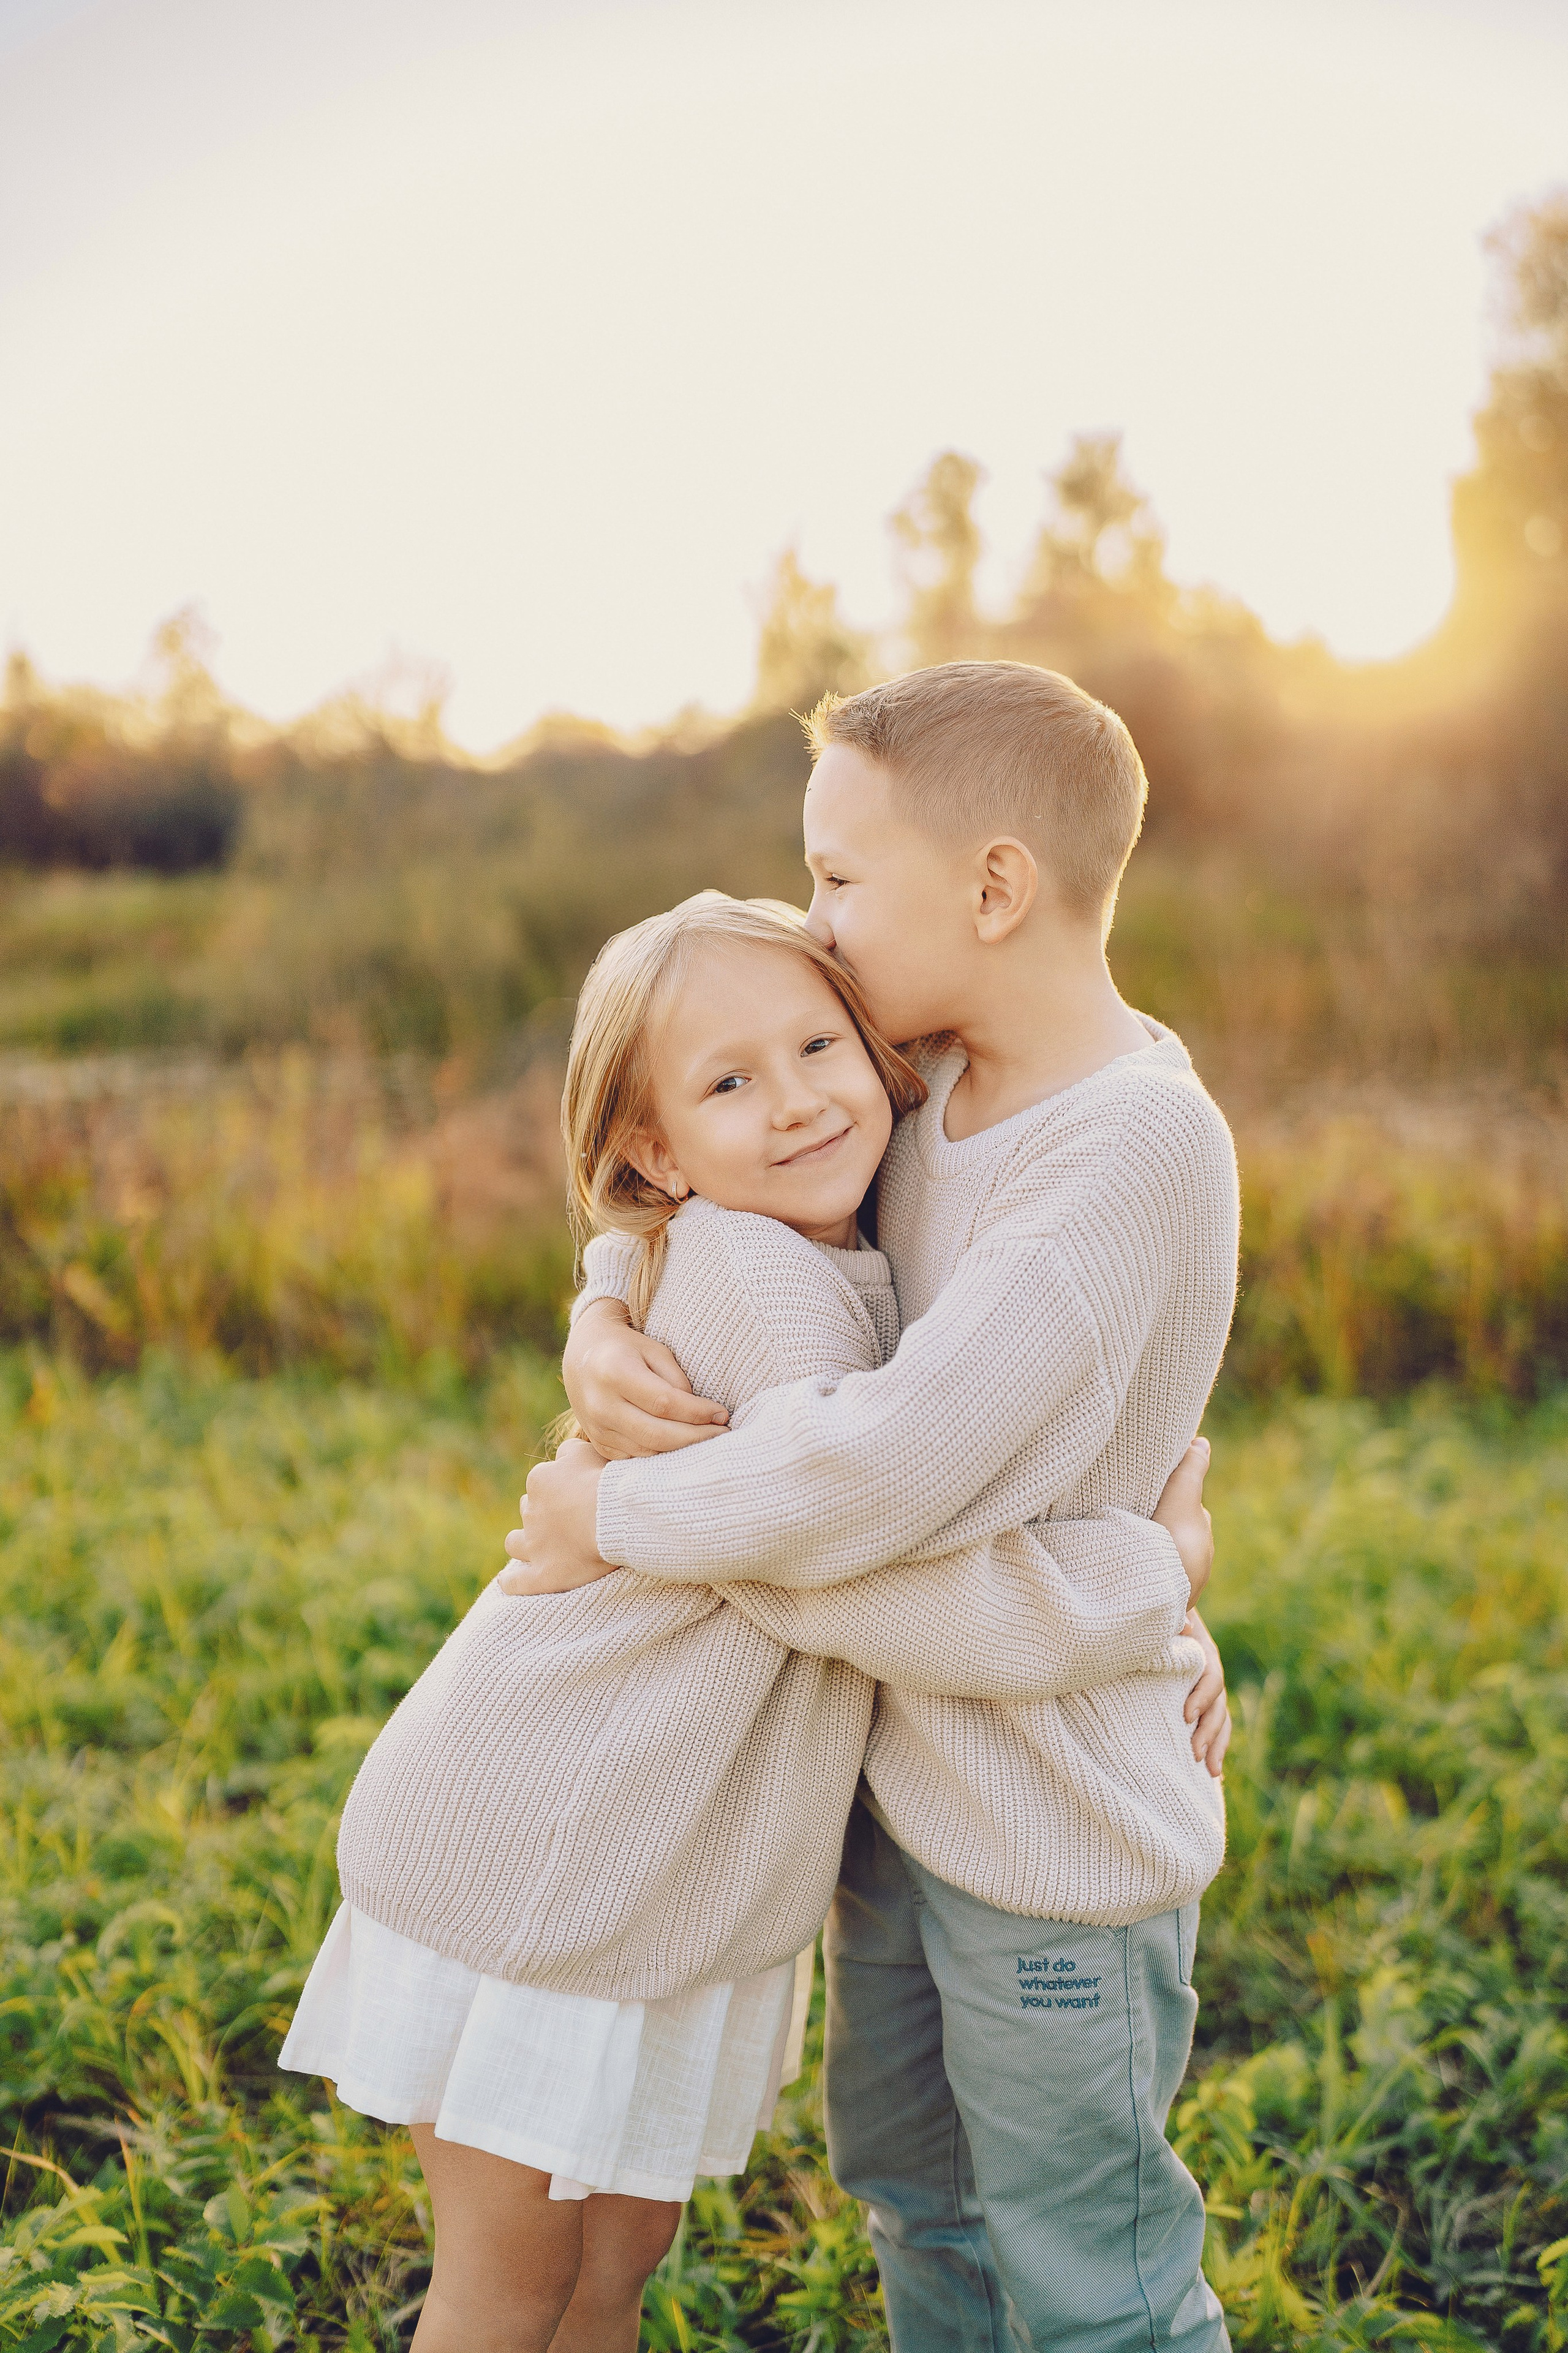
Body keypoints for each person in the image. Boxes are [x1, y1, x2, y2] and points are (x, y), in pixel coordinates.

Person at [281, 888, 1221, 2353]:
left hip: (639, 1874)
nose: (793, 1103)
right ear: (656, 1147)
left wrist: (603, 1294)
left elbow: (655, 1230)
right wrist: (1146, 1587)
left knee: (602, 2277)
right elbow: (860, 1569)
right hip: (547, 1859)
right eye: (730, 1083)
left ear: (878, 1056)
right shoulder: (772, 1286)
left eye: (819, 1047)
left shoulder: (808, 1223)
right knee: (511, 2289)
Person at [505, 661, 1240, 2352]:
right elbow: (736, 1178)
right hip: (896, 1797)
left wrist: (612, 1523)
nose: (815, 925)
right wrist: (608, 1299)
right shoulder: (924, 1087)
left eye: (839, 877)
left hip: (1051, 1825)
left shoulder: (1128, 1149)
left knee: (1091, 2280)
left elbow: (878, 1466)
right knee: (921, 2207)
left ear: (995, 887)